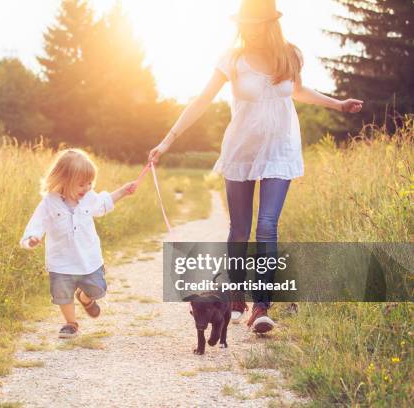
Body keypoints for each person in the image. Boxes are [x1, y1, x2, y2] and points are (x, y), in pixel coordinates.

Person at [148, 0, 363, 333]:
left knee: (267, 226)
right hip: (242, 151)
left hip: (280, 149)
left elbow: (299, 90)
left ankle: (261, 306)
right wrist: (167, 140)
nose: (248, 28)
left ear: (269, 23)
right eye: (244, 22)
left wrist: (338, 104)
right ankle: (235, 295)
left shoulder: (290, 55)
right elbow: (202, 99)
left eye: (255, 22)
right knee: (239, 229)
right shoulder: (231, 59)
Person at [20, 149, 137, 338]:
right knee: (62, 294)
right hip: (61, 262)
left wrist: (123, 191)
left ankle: (85, 297)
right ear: (63, 181)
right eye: (81, 184)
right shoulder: (50, 202)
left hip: (89, 259)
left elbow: (104, 203)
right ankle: (70, 324)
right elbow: (37, 223)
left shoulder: (89, 198)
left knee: (98, 289)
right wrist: (31, 239)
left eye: (90, 183)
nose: (87, 188)